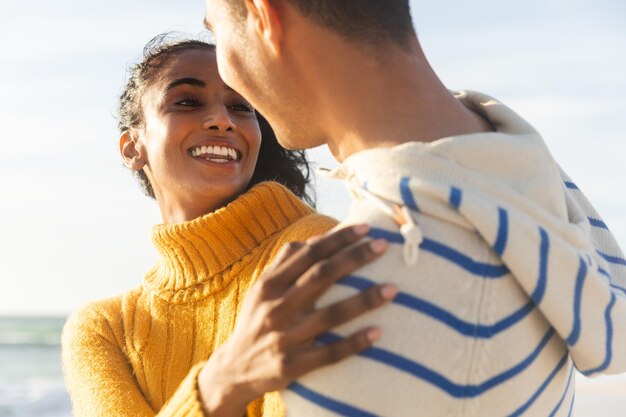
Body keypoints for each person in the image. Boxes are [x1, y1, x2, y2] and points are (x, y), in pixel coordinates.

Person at [203, 1, 626, 416]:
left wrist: (218, 389)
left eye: (214, 30)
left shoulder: (347, 306)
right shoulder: (524, 176)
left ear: (264, 14)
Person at [61, 34, 400, 417]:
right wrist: (226, 381)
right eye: (187, 101)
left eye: (241, 107)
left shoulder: (316, 250)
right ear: (131, 147)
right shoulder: (104, 328)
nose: (223, 120)